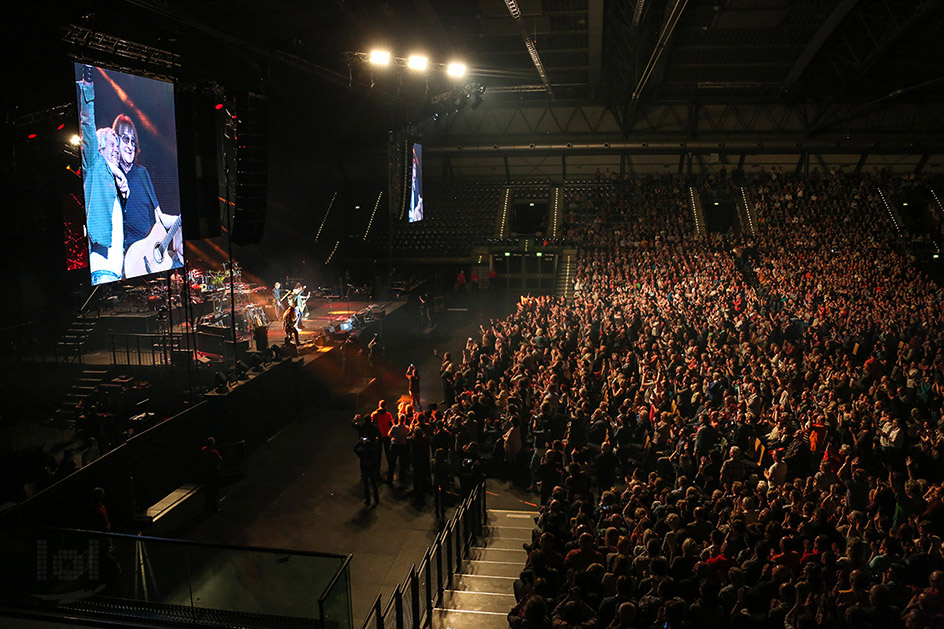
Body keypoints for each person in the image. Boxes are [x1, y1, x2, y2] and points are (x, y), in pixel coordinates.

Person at [113, 113, 183, 275]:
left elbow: (160, 217)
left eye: (133, 141)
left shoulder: (142, 173)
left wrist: (180, 219)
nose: (130, 146)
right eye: (125, 139)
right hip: (133, 257)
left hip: (154, 254)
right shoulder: (112, 178)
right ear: (115, 141)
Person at [78, 69, 127, 285]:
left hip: (116, 271)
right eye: (114, 145)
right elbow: (87, 126)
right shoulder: (95, 164)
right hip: (102, 270)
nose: (118, 150)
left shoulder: (117, 180)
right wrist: (88, 86)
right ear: (101, 147)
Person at [354, 434, 381, 507]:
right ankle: (376, 499)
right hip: (372, 469)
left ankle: (368, 500)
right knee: (374, 485)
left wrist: (360, 442)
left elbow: (355, 449)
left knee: (366, 486)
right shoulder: (373, 452)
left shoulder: (362, 453)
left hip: (364, 469)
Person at [200, 437, 223, 513]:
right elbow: (220, 460)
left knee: (207, 492)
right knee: (214, 492)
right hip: (213, 473)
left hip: (205, 473)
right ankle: (214, 508)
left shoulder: (203, 450)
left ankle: (206, 508)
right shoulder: (214, 452)